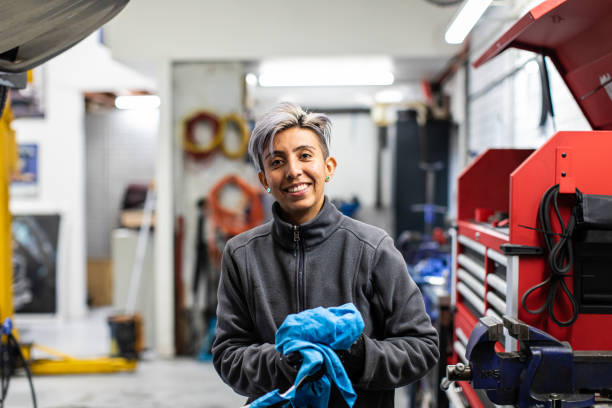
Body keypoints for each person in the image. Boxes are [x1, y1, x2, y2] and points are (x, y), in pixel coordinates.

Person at [212, 102, 439, 407]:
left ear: (328, 167)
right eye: (277, 162)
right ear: (264, 180)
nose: (293, 171)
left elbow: (422, 347)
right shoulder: (242, 255)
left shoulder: (373, 249)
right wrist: (286, 361)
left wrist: (359, 356)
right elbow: (228, 355)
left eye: (305, 156)